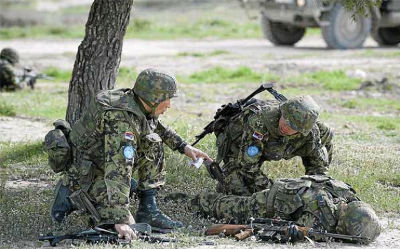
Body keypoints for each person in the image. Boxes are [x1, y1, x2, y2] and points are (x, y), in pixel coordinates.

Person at [49, 68, 212, 240]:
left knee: (153, 140)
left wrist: (184, 147)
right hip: (85, 175)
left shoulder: (137, 103)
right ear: (153, 99)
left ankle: (148, 211)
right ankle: (68, 193)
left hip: (101, 165)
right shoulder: (120, 121)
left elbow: (155, 127)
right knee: (106, 224)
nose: (169, 105)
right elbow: (118, 168)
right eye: (167, 99)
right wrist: (120, 218)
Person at [190, 175, 381, 243]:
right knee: (217, 206)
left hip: (289, 192)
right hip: (269, 203)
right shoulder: (319, 215)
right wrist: (294, 235)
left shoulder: (349, 200)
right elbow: (287, 231)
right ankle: (184, 199)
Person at [213, 95, 334, 195]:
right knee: (239, 190)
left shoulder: (311, 133)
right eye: (286, 120)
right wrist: (274, 190)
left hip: (277, 146)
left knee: (326, 132)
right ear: (282, 111)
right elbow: (248, 166)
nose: (286, 127)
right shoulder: (260, 121)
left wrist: (315, 190)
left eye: (293, 127)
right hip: (239, 145)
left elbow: (318, 168)